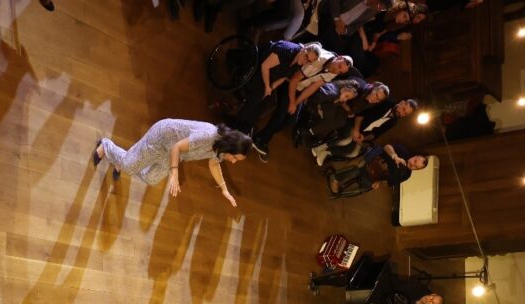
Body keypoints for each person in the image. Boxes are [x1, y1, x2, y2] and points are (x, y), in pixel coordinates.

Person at [93, 120, 250, 207]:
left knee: (151, 179)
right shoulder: (208, 136)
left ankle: (123, 161)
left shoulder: (221, 149)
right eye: (235, 158)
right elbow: (177, 147)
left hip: (172, 153)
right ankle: (106, 146)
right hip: (162, 138)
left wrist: (224, 190)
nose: (233, 162)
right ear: (231, 147)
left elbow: (214, 164)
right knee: (129, 165)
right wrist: (175, 172)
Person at [251, 50, 354, 161]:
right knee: (282, 113)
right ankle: (261, 139)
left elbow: (312, 87)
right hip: (288, 80)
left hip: (299, 88)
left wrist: (296, 103)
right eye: (339, 66)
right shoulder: (319, 60)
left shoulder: (333, 72)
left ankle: (263, 135)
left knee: (291, 121)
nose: (337, 71)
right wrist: (292, 102)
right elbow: (294, 79)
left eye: (340, 71)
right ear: (339, 58)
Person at [231, 39, 320, 137]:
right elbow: (265, 66)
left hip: (271, 77)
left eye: (309, 61)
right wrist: (267, 87)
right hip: (259, 68)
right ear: (304, 48)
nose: (306, 61)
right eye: (306, 56)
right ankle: (235, 123)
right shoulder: (287, 50)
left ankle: (247, 125)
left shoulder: (299, 63)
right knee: (257, 97)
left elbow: (284, 78)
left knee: (269, 101)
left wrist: (271, 88)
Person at [313, 98, 417, 166]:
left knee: (353, 153)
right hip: (355, 122)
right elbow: (362, 114)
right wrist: (356, 130)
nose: (402, 113)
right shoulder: (386, 103)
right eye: (403, 109)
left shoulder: (393, 122)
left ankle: (326, 152)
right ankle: (321, 147)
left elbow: (376, 134)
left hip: (362, 134)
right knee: (346, 141)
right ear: (402, 102)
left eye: (405, 114)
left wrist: (363, 138)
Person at [326, 143, 427, 198]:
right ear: (415, 156)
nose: (413, 164)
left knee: (367, 186)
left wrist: (378, 182)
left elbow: (389, 180)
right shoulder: (403, 151)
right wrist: (394, 156)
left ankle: (343, 191)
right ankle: (335, 178)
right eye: (415, 161)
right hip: (374, 157)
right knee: (358, 169)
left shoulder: (406, 174)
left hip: (377, 174)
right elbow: (387, 146)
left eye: (416, 167)